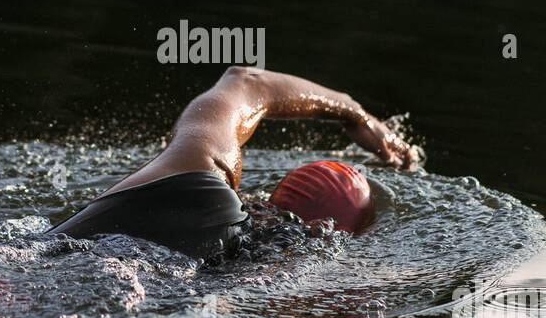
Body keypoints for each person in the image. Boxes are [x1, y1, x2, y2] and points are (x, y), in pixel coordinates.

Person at [43, 67, 419, 259]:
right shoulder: (260, 269)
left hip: (6, 267)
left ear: (276, 194)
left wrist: (354, 113)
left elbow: (246, 81)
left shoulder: (198, 172)